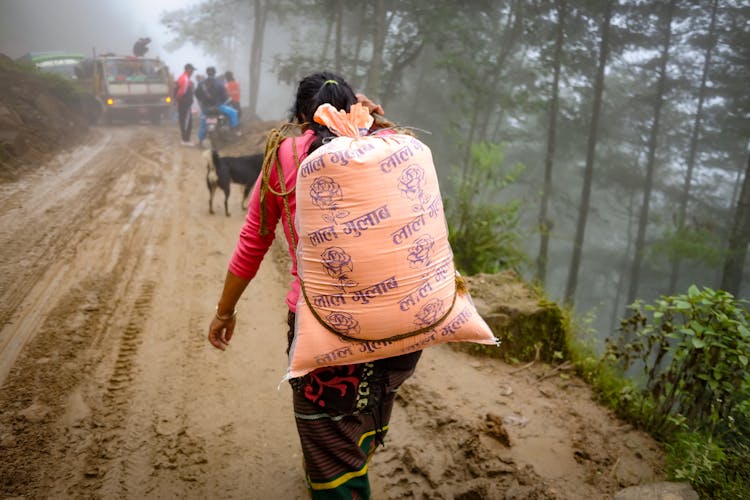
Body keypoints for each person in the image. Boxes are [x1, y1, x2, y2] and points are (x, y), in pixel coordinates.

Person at [207, 71, 418, 499]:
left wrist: (225, 311)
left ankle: (333, 480)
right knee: (365, 411)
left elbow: (253, 240)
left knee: (329, 443)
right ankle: (340, 464)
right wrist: (380, 120)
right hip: (402, 327)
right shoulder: (390, 147)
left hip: (326, 337)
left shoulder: (285, 157)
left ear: (303, 118)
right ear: (357, 110)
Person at [195, 66, 240, 147]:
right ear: (215, 73)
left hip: (206, 108)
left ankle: (200, 140)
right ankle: (235, 130)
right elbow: (225, 96)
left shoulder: (201, 83)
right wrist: (222, 101)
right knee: (233, 112)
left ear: (207, 73)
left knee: (203, 123)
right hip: (218, 107)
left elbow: (197, 94)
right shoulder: (219, 83)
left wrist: (202, 101)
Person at [175, 63, 195, 146]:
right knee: (187, 121)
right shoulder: (185, 79)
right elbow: (181, 92)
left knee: (183, 120)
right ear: (188, 70)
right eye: (192, 70)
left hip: (183, 103)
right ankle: (185, 140)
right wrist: (179, 100)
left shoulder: (182, 78)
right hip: (185, 104)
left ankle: (185, 139)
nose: (193, 72)